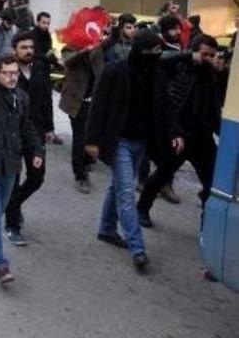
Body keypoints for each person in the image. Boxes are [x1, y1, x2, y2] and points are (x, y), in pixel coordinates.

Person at [85, 30, 181, 270]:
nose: (157, 56)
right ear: (140, 52)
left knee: (117, 186)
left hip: (142, 142)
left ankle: (107, 229)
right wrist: (91, 140)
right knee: (126, 193)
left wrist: (175, 133)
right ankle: (137, 247)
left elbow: (166, 107)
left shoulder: (156, 75)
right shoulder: (115, 72)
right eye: (153, 52)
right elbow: (97, 107)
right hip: (119, 142)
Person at [0, 28, 44, 284]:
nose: (13, 78)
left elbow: (27, 127)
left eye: (15, 73)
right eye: (7, 74)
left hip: (11, 166)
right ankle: (0, 264)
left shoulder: (22, 98)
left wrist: (36, 150)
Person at [137, 34, 228, 227]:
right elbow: (161, 60)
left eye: (212, 55)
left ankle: (207, 223)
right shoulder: (180, 66)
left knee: (211, 182)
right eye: (205, 54)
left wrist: (222, 71)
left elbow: (221, 96)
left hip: (203, 136)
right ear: (194, 51)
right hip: (180, 134)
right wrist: (189, 55)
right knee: (162, 175)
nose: (209, 59)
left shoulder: (211, 72)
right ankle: (142, 209)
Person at [3, 31, 54, 246]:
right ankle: (12, 225)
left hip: (36, 133)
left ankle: (12, 206)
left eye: (31, 48)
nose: (29, 51)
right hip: (14, 133)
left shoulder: (41, 68)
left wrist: (50, 128)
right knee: (13, 181)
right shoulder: (8, 71)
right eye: (24, 48)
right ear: (15, 49)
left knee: (37, 177)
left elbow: (46, 98)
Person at [59, 40, 105, 194]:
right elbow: (68, 61)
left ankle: (86, 161)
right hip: (77, 102)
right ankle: (80, 176)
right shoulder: (70, 47)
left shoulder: (98, 48)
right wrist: (85, 50)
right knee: (79, 137)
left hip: (94, 101)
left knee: (90, 134)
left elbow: (101, 69)